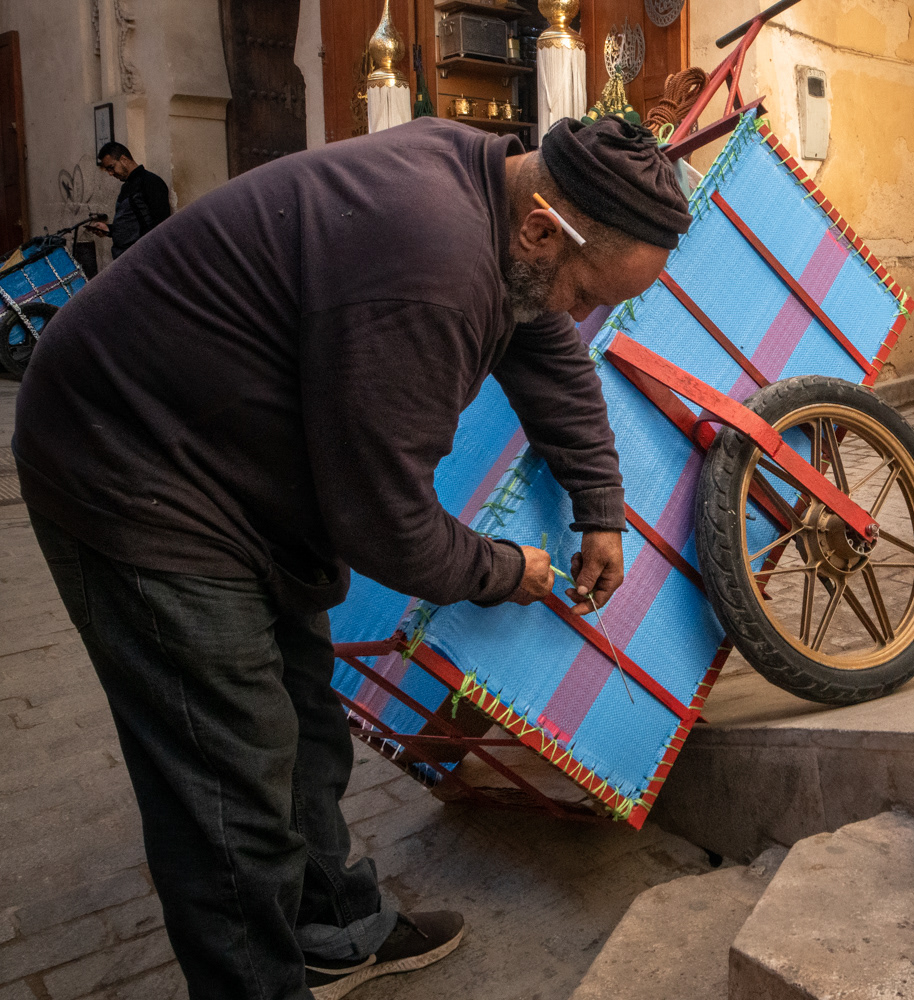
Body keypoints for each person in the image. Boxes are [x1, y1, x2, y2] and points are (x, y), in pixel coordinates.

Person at [12, 115, 691, 1000]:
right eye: (586, 292)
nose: (580, 314)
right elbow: (386, 524)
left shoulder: (499, 195)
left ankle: (335, 931)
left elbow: (546, 348)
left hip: (231, 471)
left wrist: (601, 506)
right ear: (540, 228)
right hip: (128, 469)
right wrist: (504, 572)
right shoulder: (431, 267)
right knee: (229, 785)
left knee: (304, 725)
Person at [87, 141, 172, 257]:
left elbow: (161, 225)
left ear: (124, 160)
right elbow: (132, 224)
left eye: (111, 168)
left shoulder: (151, 182)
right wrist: (109, 229)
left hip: (142, 259)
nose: (111, 174)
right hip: (125, 259)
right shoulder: (127, 186)